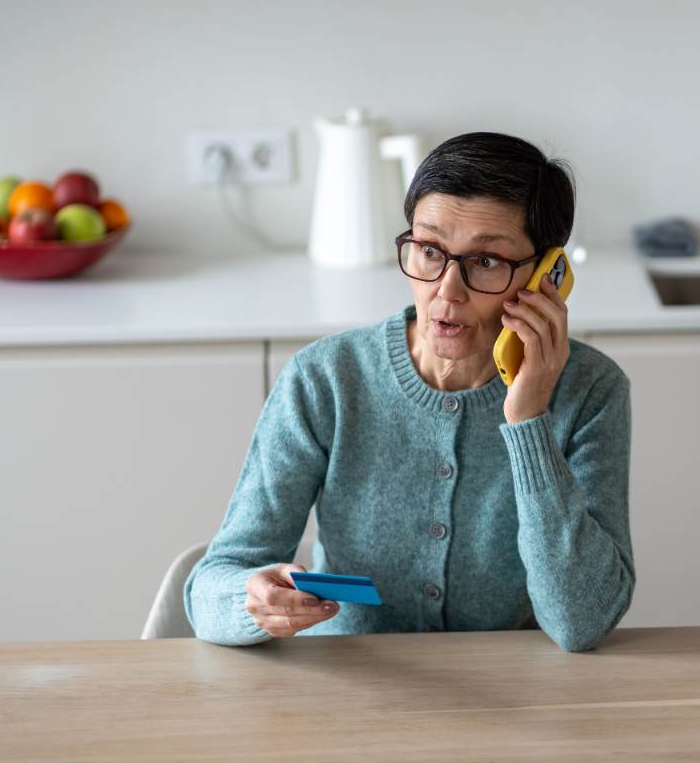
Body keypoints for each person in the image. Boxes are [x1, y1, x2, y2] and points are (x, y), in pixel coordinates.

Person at [184, 131, 634, 652]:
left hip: (517, 698)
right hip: (353, 689)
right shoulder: (326, 379)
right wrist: (252, 600)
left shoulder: (591, 391)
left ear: (545, 276)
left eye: (486, 261)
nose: (447, 290)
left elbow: (583, 621)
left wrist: (529, 418)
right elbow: (209, 590)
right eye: (428, 250)